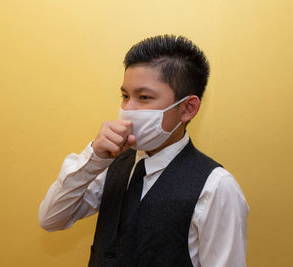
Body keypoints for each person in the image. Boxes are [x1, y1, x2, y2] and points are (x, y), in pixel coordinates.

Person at [39, 35, 249, 267]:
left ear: (188, 108)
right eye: (125, 96)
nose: (128, 109)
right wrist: (94, 158)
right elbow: (51, 219)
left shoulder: (216, 187)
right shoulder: (112, 162)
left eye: (144, 97)